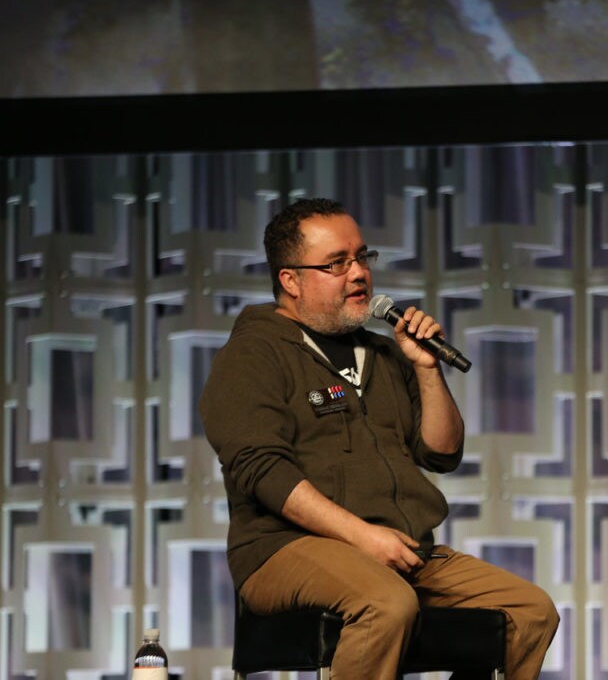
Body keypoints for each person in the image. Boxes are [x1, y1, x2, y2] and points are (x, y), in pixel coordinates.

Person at [200, 197, 558, 679]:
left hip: (402, 548)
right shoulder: (253, 354)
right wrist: (362, 537)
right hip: (285, 548)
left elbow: (442, 452)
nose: (358, 273)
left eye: (362, 257)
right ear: (290, 280)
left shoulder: (385, 355)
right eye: (336, 263)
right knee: (385, 603)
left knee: (531, 611)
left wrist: (426, 368)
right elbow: (262, 470)